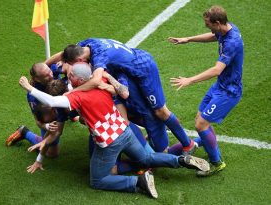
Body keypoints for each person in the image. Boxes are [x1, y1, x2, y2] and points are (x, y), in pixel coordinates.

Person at [19, 62, 210, 198]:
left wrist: (29, 87)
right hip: (125, 129)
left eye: (70, 77)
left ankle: (138, 183)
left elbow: (52, 101)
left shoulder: (76, 97)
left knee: (97, 180)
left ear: (78, 80)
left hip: (109, 141)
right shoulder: (100, 78)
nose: (67, 77)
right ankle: (181, 160)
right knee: (146, 158)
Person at [49, 38, 196, 155]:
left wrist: (72, 93)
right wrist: (44, 64)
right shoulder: (86, 45)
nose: (73, 68)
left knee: (160, 111)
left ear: (80, 60)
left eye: (73, 65)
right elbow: (63, 54)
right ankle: (148, 144)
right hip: (129, 69)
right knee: (136, 112)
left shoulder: (100, 57)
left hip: (143, 69)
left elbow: (95, 81)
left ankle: (188, 144)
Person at [168, 5, 243, 176]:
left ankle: (217, 163)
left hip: (229, 92)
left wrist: (189, 80)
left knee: (201, 123)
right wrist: (188, 39)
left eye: (208, 23)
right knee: (201, 119)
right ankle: (200, 143)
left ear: (217, 22)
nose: (206, 26)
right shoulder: (226, 29)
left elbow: (217, 70)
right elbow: (213, 35)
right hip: (221, 85)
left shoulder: (232, 42)